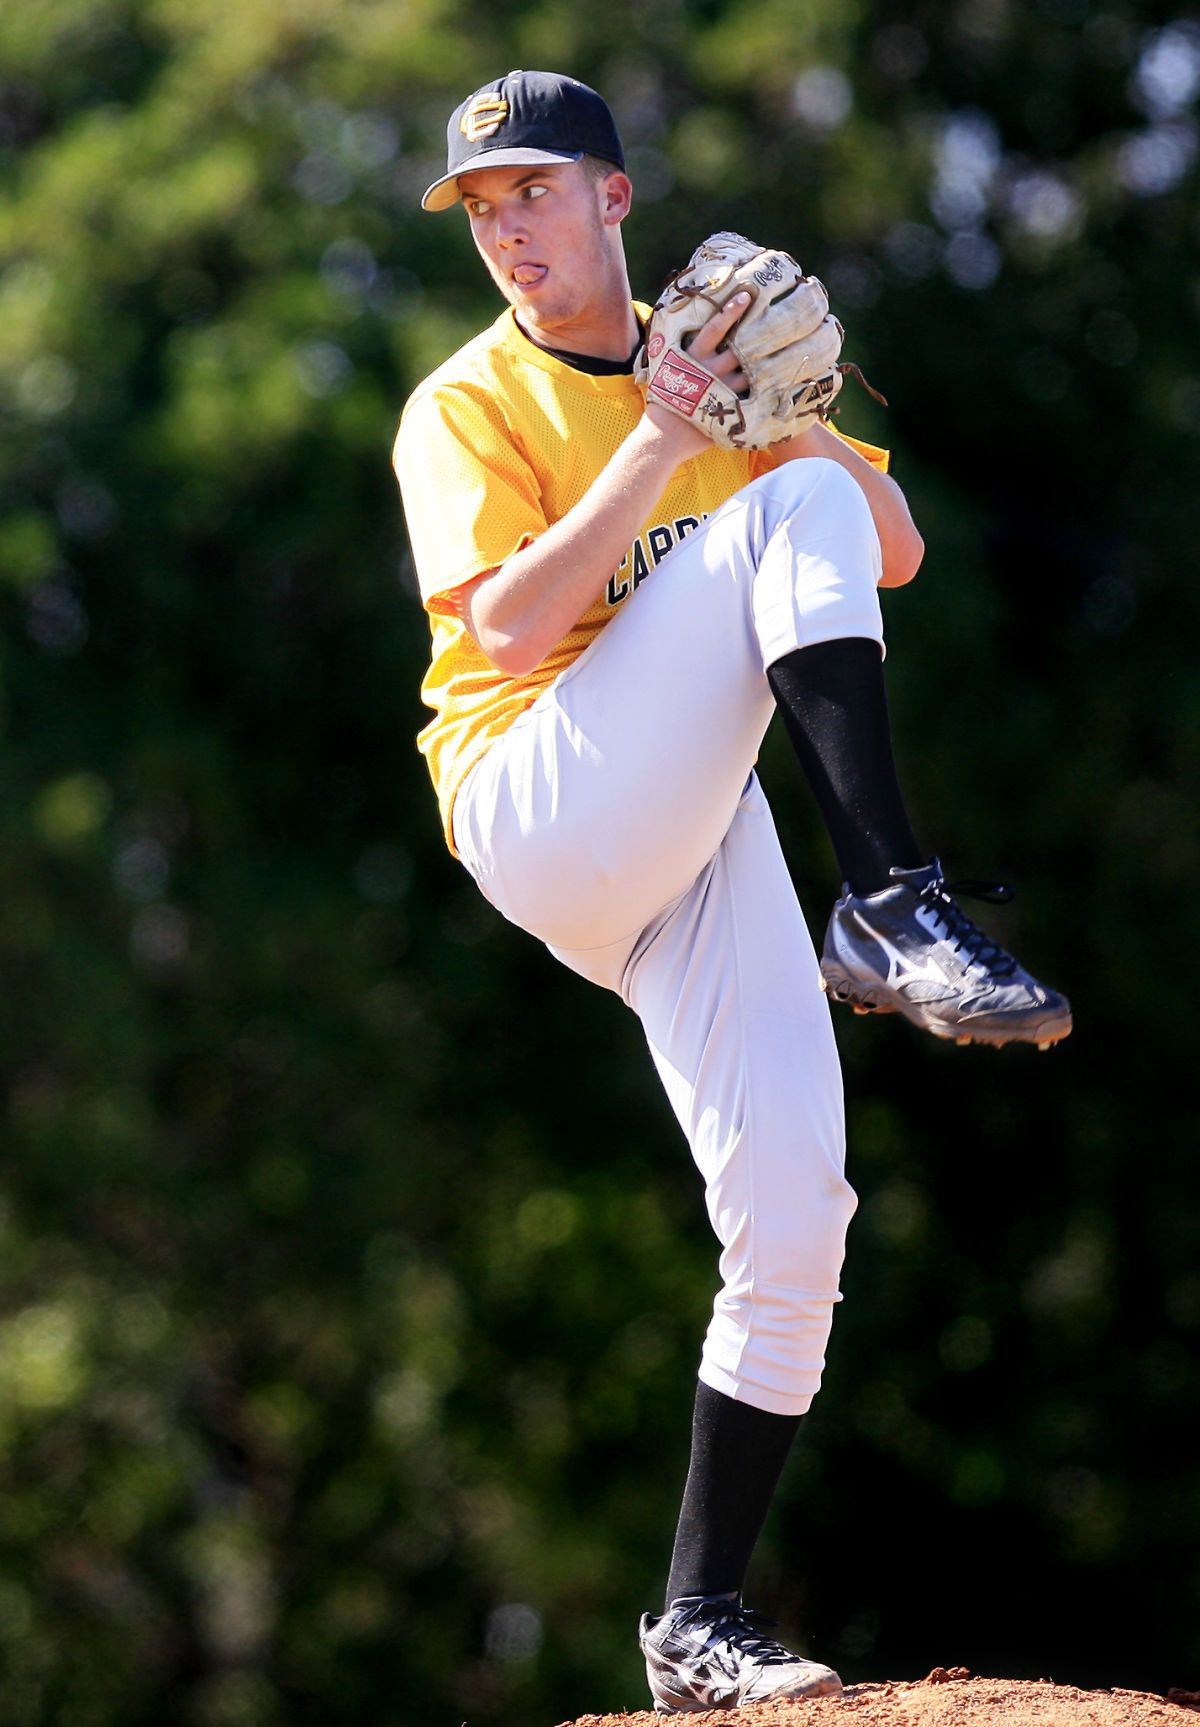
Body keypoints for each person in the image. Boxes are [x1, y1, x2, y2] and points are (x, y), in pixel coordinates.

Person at [393, 69, 1071, 1714]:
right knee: (787, 512)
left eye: (533, 193)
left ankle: (697, 1618)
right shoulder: (466, 402)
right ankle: (892, 899)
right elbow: (499, 627)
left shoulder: (708, 370)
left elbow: (889, 545)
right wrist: (671, 443)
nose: (507, 231)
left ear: (614, 200)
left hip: (686, 834)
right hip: (539, 795)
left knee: (797, 1214)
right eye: (482, 207)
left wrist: (784, 414)